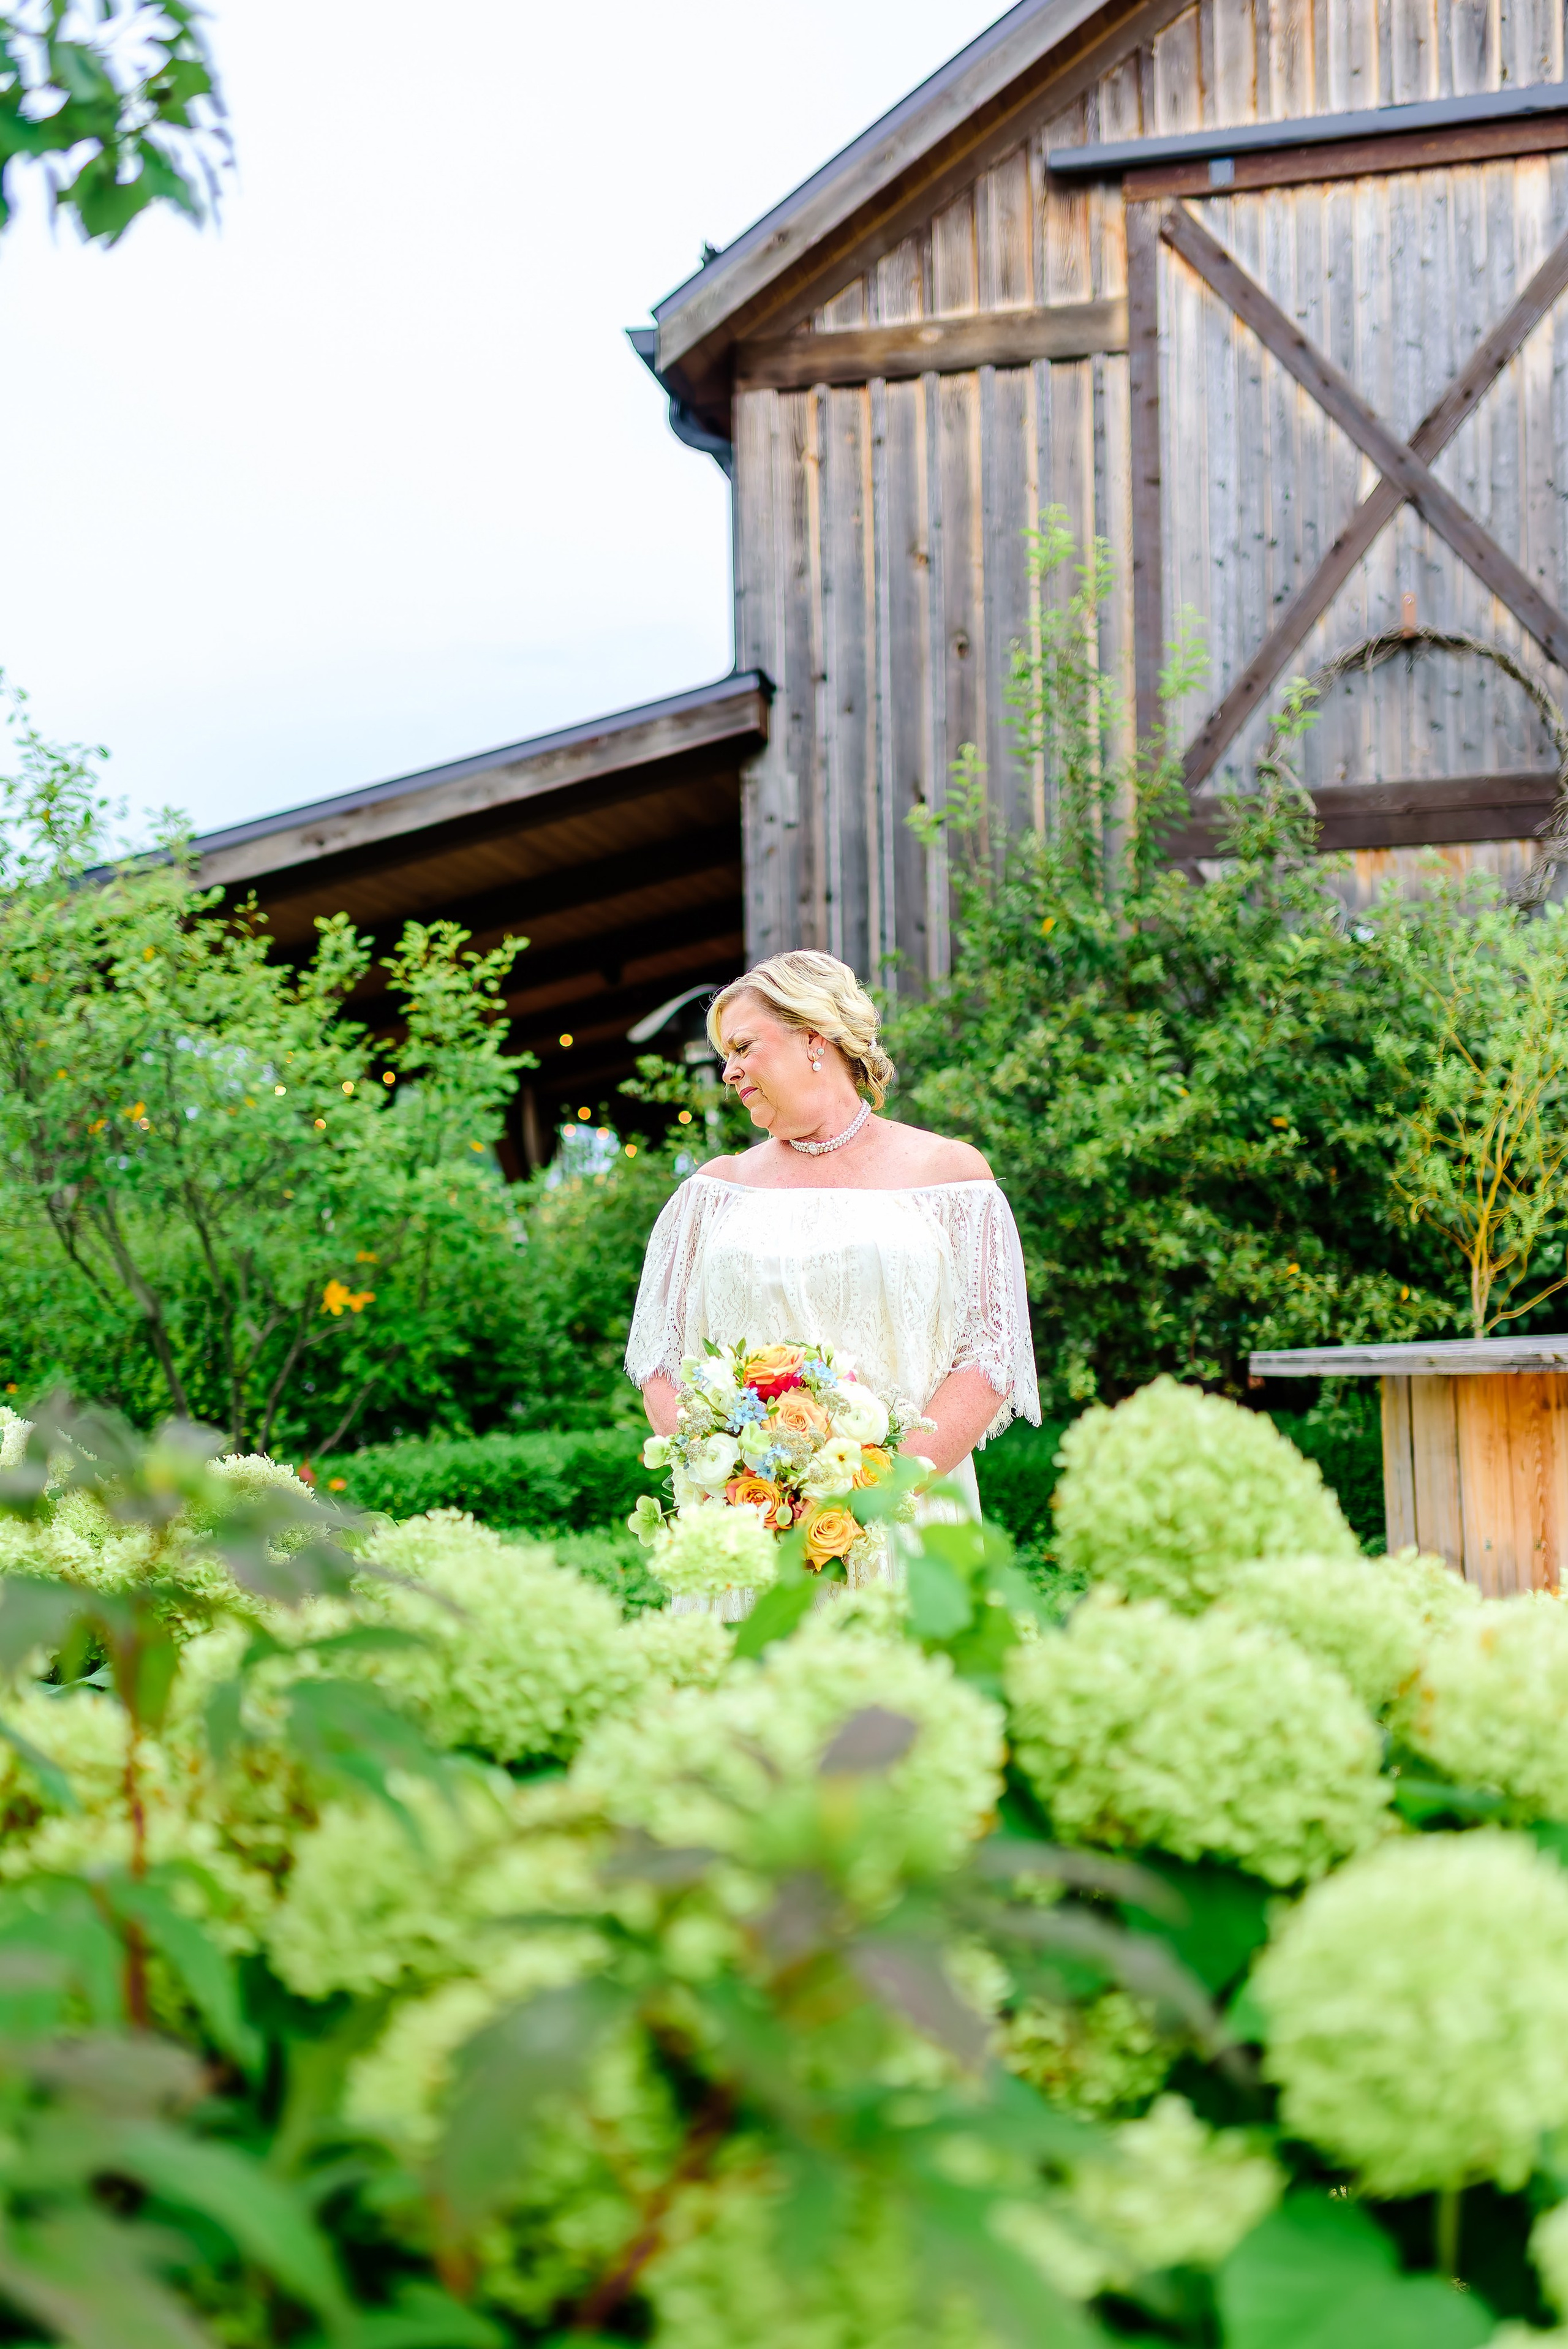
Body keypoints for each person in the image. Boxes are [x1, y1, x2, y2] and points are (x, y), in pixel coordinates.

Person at [625, 951, 1039, 1604]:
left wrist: (883, 1492)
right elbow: (659, 1360)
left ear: (814, 1039)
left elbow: (991, 1356)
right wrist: (739, 1483)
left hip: (908, 1519)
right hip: (750, 1530)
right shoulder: (712, 1194)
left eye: (741, 1047)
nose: (727, 1070)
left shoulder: (950, 1176)